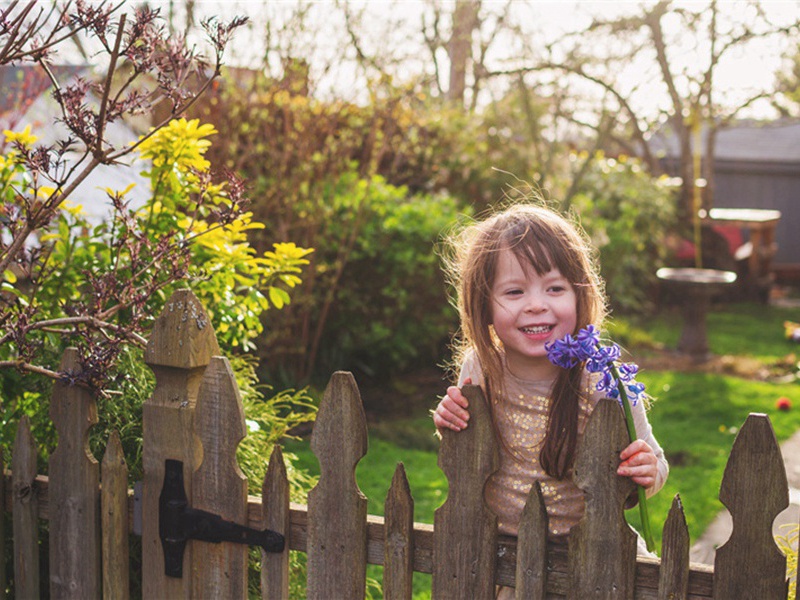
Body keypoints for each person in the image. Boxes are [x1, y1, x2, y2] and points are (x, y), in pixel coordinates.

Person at [433, 202, 668, 552]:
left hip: (592, 555)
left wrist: (646, 472)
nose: (536, 305)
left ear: (579, 295)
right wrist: (449, 423)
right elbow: (469, 451)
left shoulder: (602, 379)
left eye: (555, 289)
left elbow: (655, 464)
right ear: (484, 305)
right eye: (515, 292)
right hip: (503, 554)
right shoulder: (480, 368)